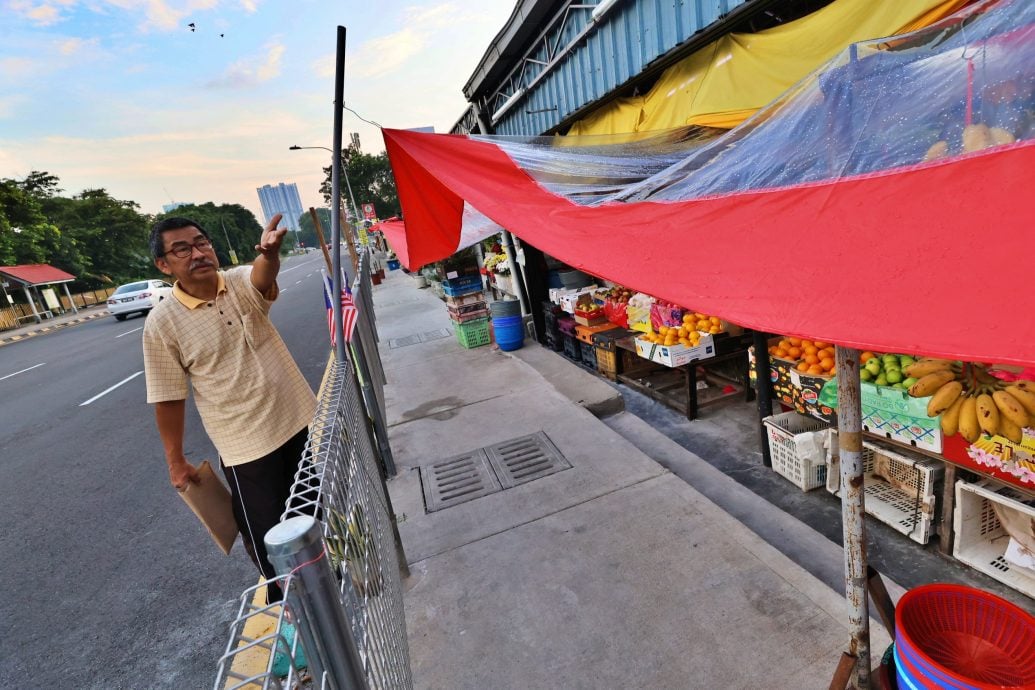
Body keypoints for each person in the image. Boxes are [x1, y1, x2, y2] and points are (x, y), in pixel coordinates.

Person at [142, 214, 317, 604]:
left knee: (308, 512)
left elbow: (261, 276)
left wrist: (270, 253)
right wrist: (175, 461)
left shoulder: (237, 282)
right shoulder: (162, 323)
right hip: (245, 446)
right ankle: (295, 614)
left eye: (201, 242)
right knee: (269, 537)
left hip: (296, 421)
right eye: (181, 249)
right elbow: (168, 396)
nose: (197, 253)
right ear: (164, 265)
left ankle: (325, 585)